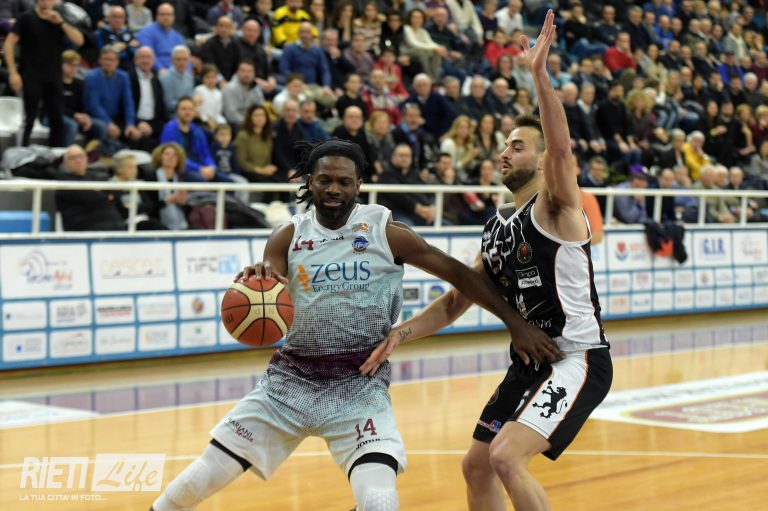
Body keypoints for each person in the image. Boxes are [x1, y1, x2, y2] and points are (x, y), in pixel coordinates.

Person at [149, 138, 560, 511]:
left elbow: (460, 274)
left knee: (380, 502)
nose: (334, 189)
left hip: (359, 386)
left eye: (344, 182)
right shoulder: (287, 237)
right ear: (310, 182)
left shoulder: (386, 231)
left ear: (358, 185)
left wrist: (515, 324)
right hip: (288, 384)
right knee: (191, 485)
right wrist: (261, 279)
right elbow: (271, 279)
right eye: (324, 180)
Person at [360, 12, 611, 511]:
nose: (504, 152)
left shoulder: (558, 207)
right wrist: (399, 335)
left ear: (540, 159)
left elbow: (562, 151)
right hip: (530, 362)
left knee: (506, 457)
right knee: (476, 465)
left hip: (576, 359)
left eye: (517, 146)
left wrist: (539, 76)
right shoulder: (497, 226)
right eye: (504, 145)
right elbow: (456, 301)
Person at [3, 0, 85, 147]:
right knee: (29, 120)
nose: (47, 2)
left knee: (57, 119)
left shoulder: (58, 19)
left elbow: (79, 41)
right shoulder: (26, 18)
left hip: (53, 76)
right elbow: (9, 44)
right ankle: (22, 153)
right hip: (31, 75)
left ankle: (55, 153)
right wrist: (13, 72)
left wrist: (61, 23)